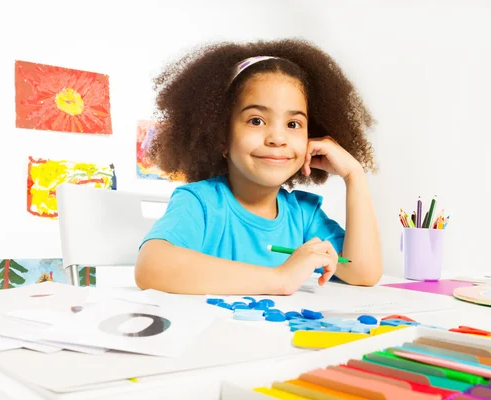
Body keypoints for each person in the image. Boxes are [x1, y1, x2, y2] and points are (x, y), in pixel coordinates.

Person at [135, 39, 382, 295]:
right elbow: (150, 267)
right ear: (221, 137)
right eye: (256, 120)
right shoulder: (201, 204)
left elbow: (362, 272)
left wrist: (354, 176)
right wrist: (279, 279)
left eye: (294, 124)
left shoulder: (303, 216)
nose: (277, 138)